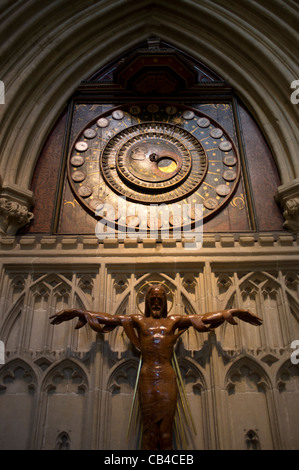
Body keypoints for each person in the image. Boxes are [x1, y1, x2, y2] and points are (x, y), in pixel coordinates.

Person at [50, 283, 262, 450]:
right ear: (147, 303)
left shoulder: (173, 321)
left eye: (160, 299)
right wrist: (79, 312)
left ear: (165, 301)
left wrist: (232, 312)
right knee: (150, 433)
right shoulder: (139, 321)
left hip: (167, 376)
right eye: (153, 299)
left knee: (166, 432)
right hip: (147, 376)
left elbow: (203, 319)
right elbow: (110, 319)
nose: (156, 302)